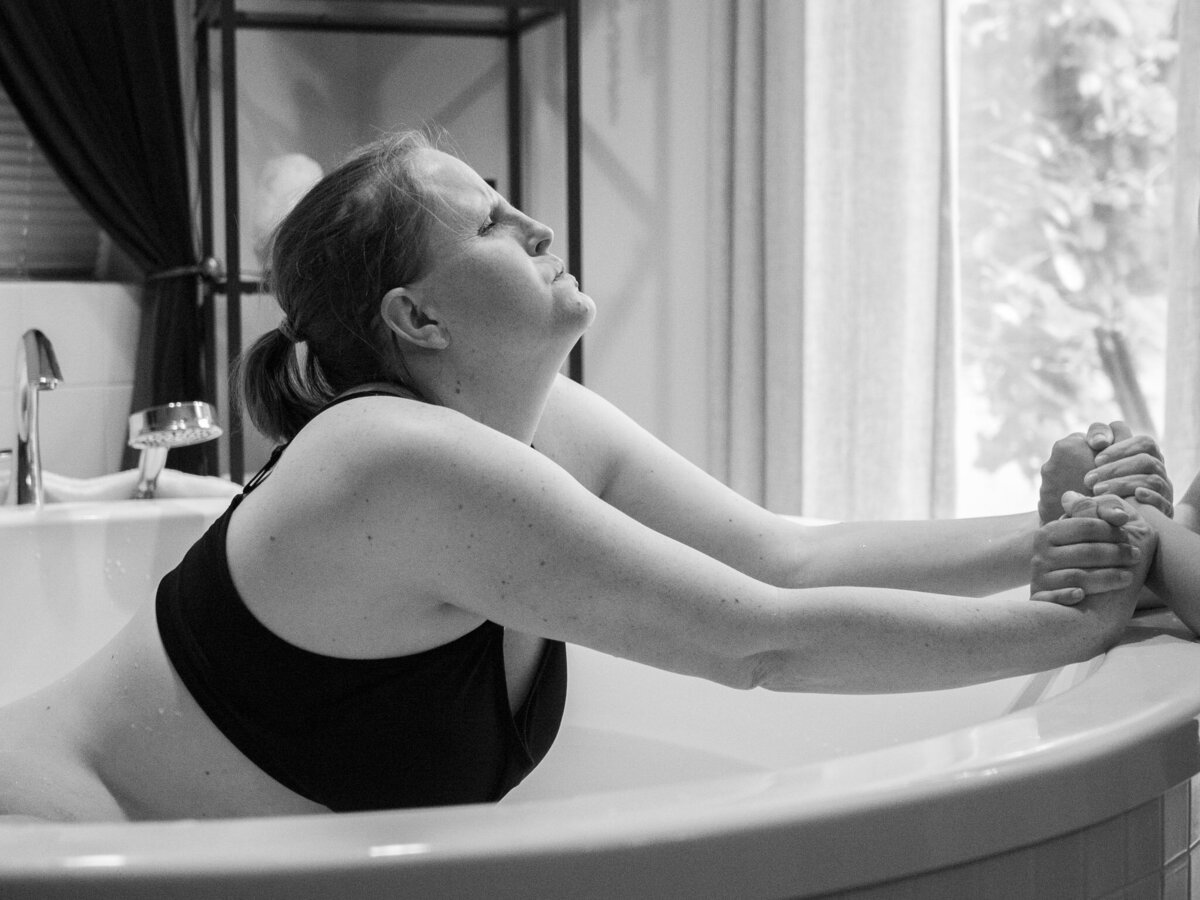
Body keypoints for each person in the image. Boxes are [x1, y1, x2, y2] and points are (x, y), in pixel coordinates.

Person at [0, 131, 1170, 822]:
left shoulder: (542, 426)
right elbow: (758, 642)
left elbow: (781, 555)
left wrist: (1048, 535)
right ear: (416, 317)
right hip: (54, 838)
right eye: (495, 225)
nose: (538, 226)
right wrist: (1067, 630)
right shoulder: (387, 458)